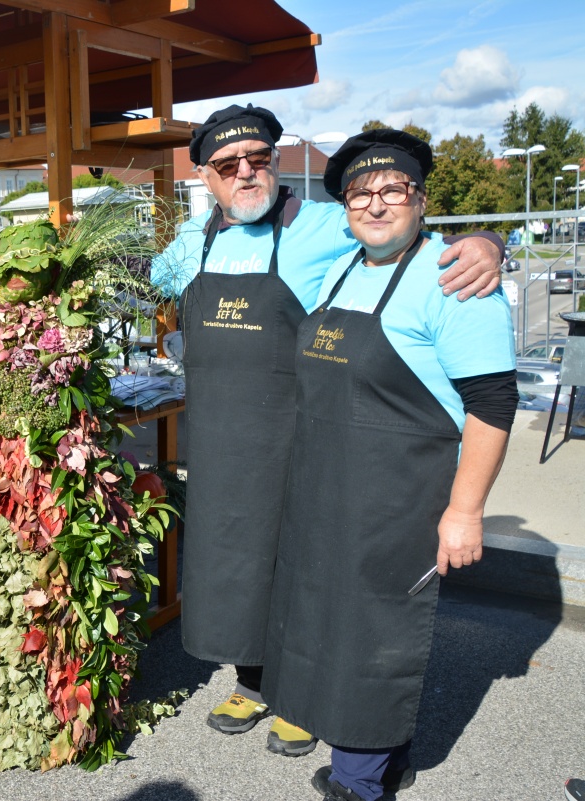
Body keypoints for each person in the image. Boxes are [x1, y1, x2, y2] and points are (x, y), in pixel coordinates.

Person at [150, 104, 504, 758]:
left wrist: (488, 242)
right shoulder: (196, 239)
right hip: (224, 441)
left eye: (259, 158)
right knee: (233, 568)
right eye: (229, 165)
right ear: (208, 176)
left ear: (276, 162)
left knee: (297, 570)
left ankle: (297, 694)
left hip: (297, 436)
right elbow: (151, 281)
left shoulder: (318, 224)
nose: (247, 173)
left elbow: (402, 236)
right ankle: (251, 681)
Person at [261, 129, 517, 801]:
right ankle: (383, 758)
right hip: (328, 486)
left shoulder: (456, 280)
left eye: (393, 189)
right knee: (334, 625)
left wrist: (466, 509)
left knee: (372, 633)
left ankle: (358, 784)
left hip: (400, 497)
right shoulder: (342, 266)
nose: (376, 204)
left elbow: (492, 402)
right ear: (345, 203)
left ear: (421, 198)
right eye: (360, 192)